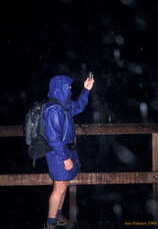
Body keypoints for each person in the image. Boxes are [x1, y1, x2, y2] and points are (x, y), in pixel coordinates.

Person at [43, 74, 95, 229]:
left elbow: (78, 106)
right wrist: (65, 158)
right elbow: (53, 139)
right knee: (59, 187)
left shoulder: (63, 105)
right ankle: (50, 224)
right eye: (68, 87)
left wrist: (86, 90)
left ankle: (57, 219)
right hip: (58, 153)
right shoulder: (53, 110)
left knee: (64, 184)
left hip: (65, 151)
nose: (70, 90)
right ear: (60, 88)